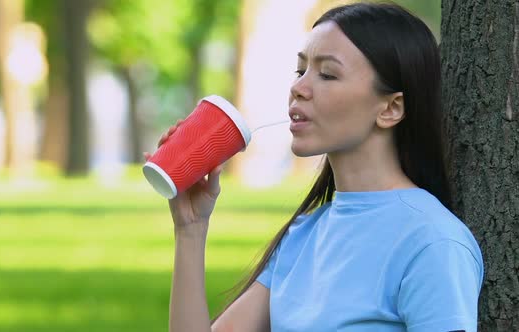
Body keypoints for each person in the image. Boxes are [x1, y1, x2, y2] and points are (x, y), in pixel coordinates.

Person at [144, 2, 484, 331]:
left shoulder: (433, 242)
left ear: (390, 109)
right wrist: (190, 228)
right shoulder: (303, 235)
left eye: (328, 74)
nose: (298, 88)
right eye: (300, 70)